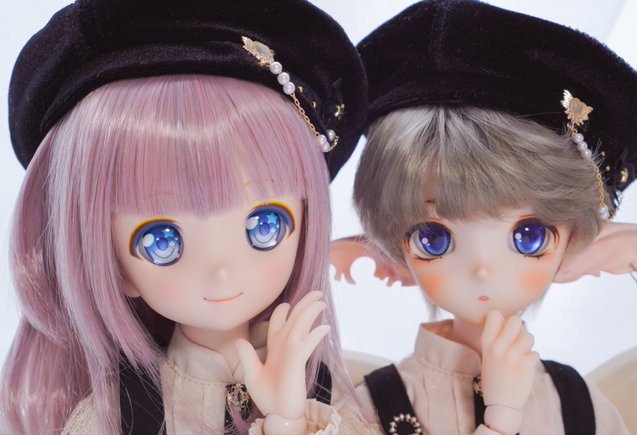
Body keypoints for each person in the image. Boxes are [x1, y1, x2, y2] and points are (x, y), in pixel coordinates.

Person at [0, 0, 368, 433]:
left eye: (265, 226)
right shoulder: (120, 415)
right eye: (161, 241)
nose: (221, 273)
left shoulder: (327, 400)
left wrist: (289, 420)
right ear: (112, 264)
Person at [331, 0, 637, 433]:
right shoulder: (368, 408)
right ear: (392, 248)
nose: (482, 270)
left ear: (574, 243)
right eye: (433, 239)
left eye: (529, 236)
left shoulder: (581, 404)